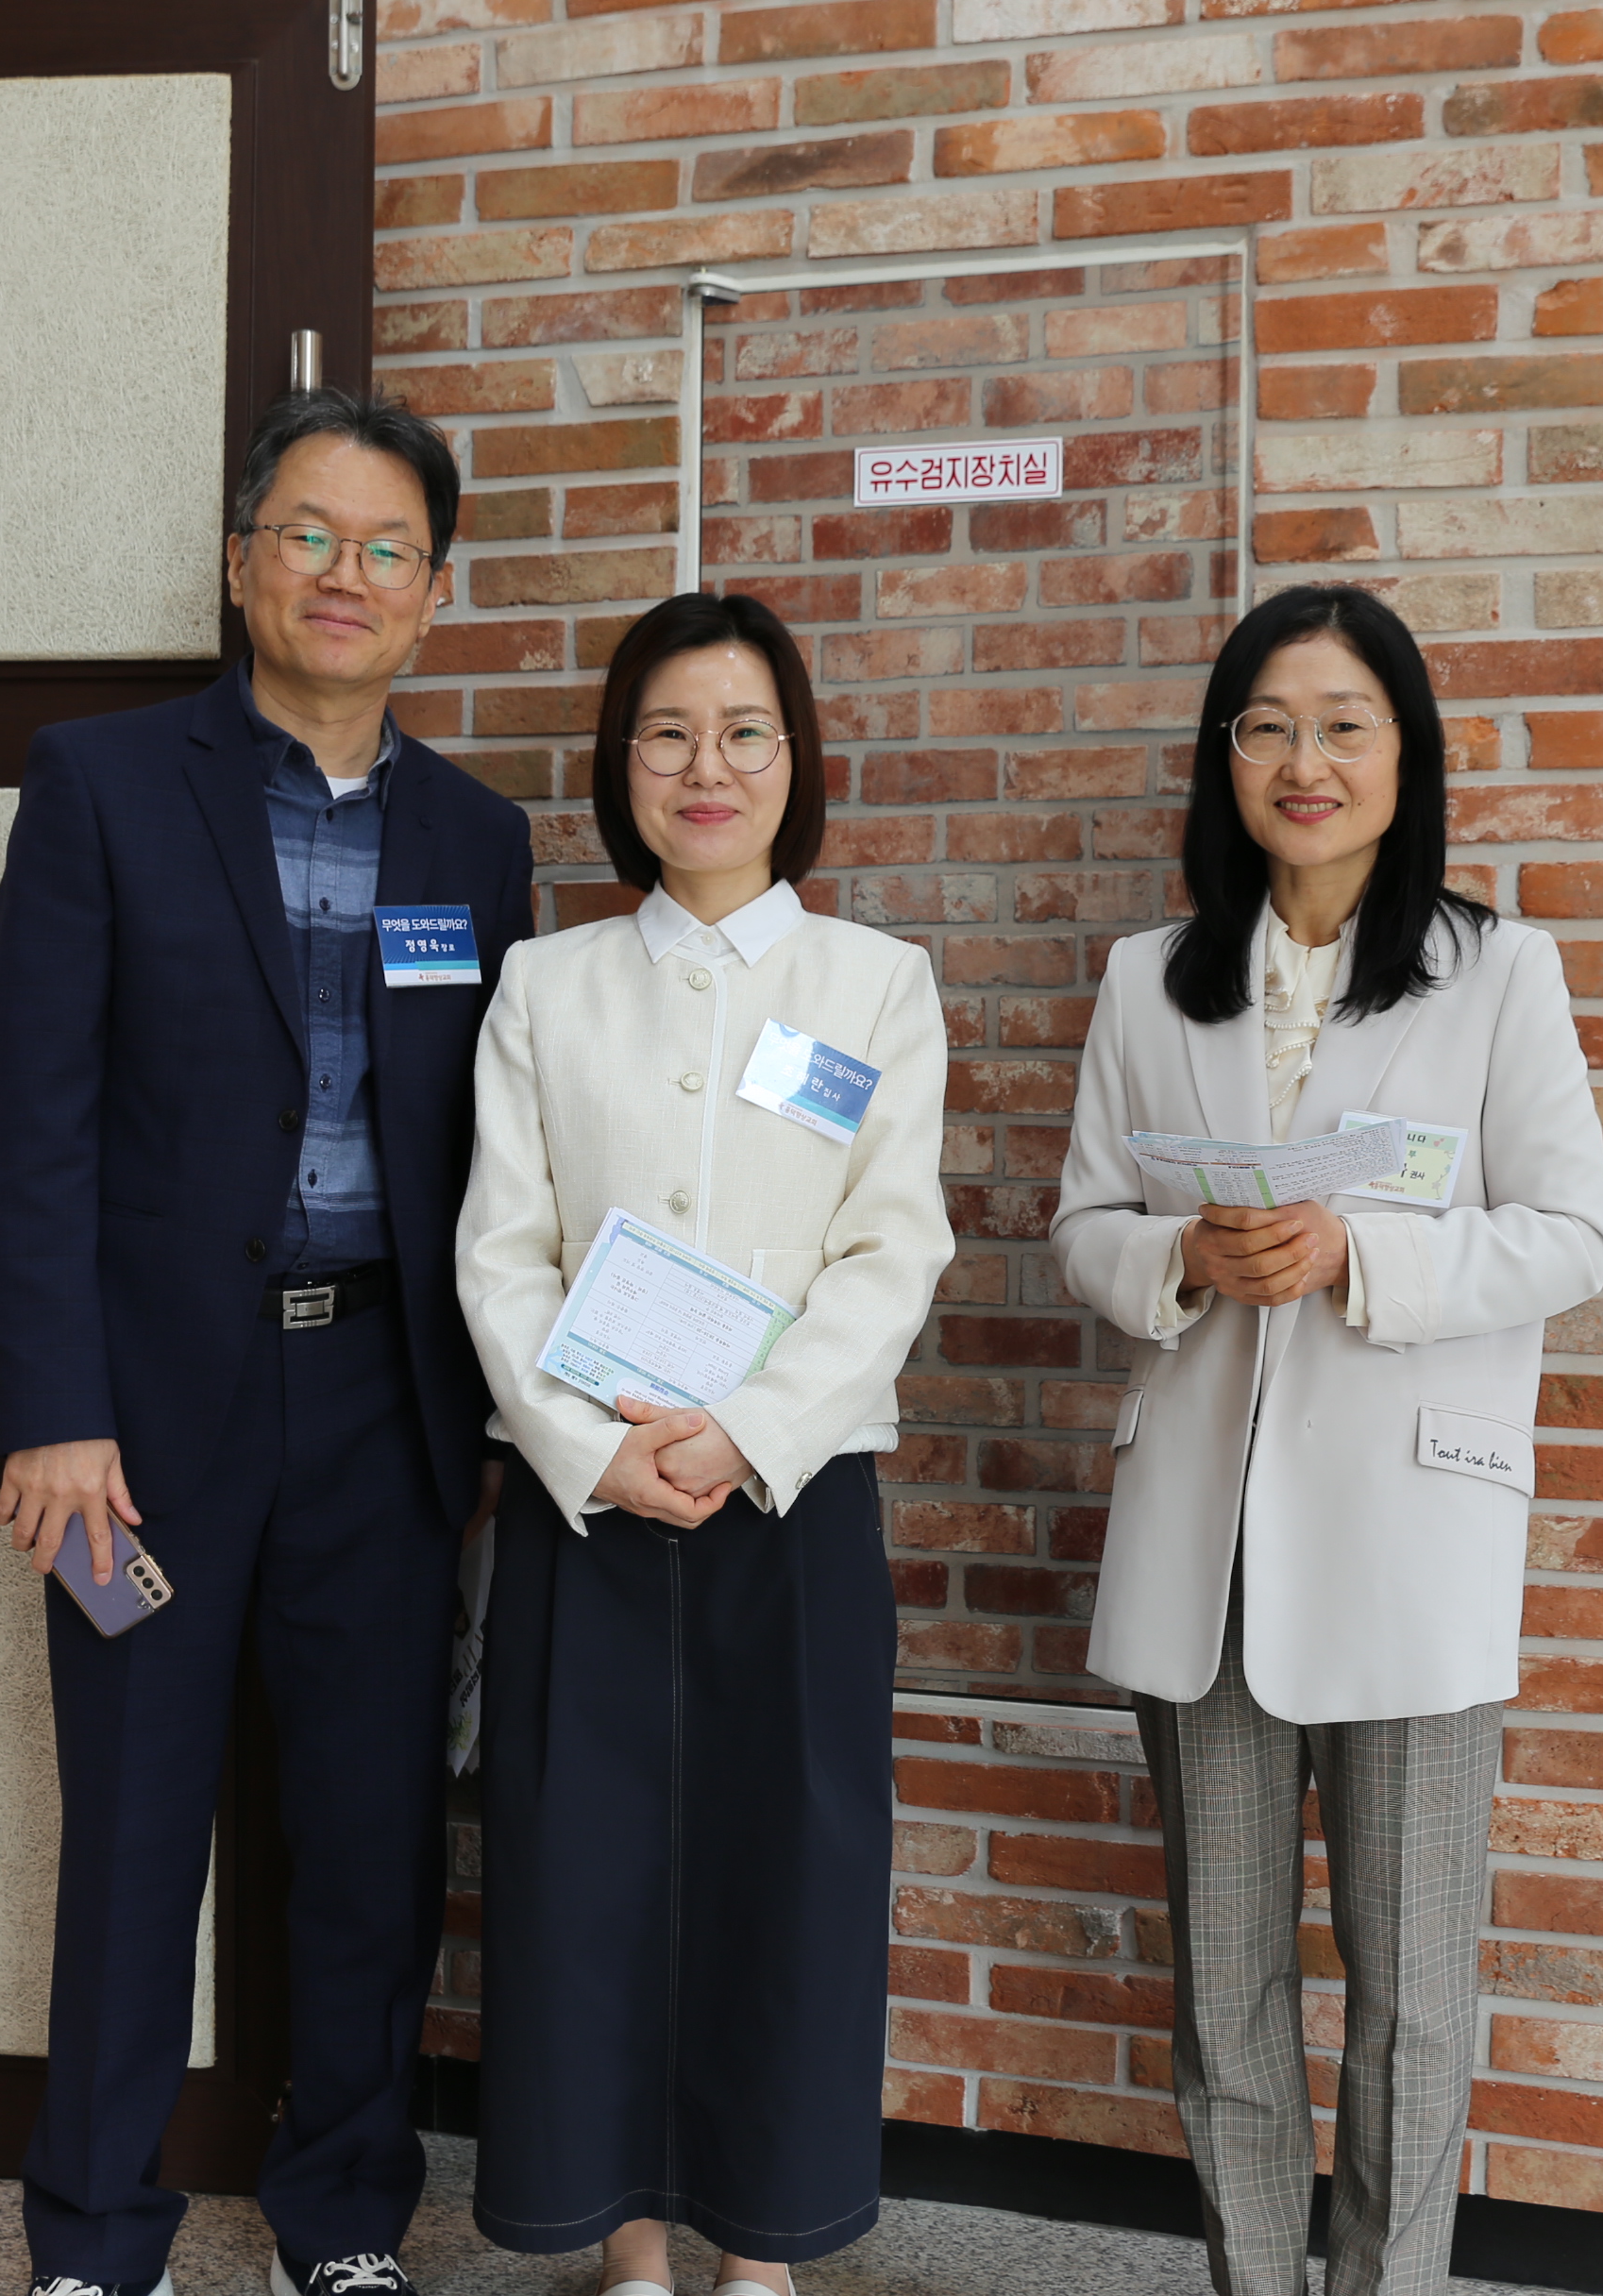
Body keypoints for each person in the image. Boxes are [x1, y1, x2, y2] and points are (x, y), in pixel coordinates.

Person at [0, 384, 534, 2296]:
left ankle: (345, 2219)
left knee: (372, 1841)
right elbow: (30, 1119)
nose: (344, 573)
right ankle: (92, 2238)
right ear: (239, 562)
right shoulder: (105, 784)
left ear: (434, 595)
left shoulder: (478, 838)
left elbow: (496, 1153)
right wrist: (53, 1407)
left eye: (388, 548)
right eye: (309, 534)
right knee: (136, 1831)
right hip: (142, 1423)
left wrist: (488, 1422)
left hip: (384, 1407)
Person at [1049, 584, 1603, 2296]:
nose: (1307, 761)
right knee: (1224, 1990)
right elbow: (1084, 1225)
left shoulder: (1498, 972)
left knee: (1414, 1996)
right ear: (1226, 758)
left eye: (1345, 725)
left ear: (1405, 754)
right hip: (1205, 1552)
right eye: (1270, 726)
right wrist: (1180, 1260)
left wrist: (1364, 1256)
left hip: (1408, 1549)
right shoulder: (1150, 978)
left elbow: (1572, 1236)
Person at [455, 590, 953, 2296]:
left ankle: (766, 2252)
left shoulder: (873, 986)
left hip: (792, 1501)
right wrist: (588, 1450)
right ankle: (631, 2244)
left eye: (744, 732)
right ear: (624, 763)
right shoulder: (547, 986)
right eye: (667, 733)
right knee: (580, 1871)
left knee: (789, 1873)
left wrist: (744, 1432)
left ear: (794, 761)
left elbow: (893, 1250)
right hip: (587, 1504)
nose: (705, 767)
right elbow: (500, 1250)